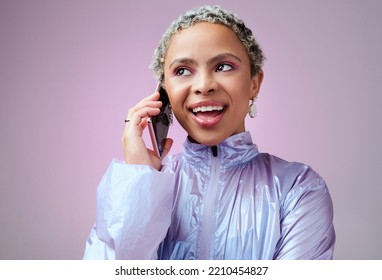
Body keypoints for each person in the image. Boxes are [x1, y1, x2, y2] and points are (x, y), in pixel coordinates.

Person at [83, 5, 335, 260]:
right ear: (165, 92)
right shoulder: (140, 185)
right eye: (182, 71)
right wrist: (139, 183)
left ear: (254, 83)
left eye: (223, 66)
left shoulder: (298, 189)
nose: (203, 86)